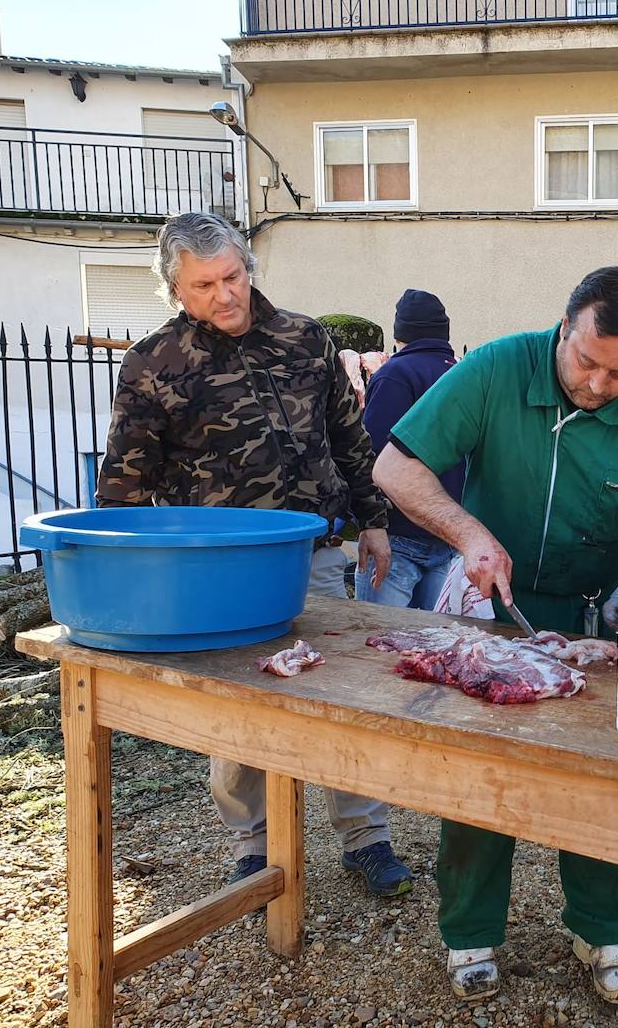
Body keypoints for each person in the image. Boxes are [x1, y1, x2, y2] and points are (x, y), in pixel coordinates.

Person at [372, 266, 618, 1004]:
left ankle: (603, 925)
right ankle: (470, 932)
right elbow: (395, 467)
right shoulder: (494, 367)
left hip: (595, 621)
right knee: (481, 777)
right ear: (564, 326)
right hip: (496, 611)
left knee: (599, 780)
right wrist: (468, 533)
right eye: (587, 360)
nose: (599, 384)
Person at [95, 211, 414, 898]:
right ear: (176, 290)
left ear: (249, 265)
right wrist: (127, 578)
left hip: (316, 551)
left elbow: (348, 438)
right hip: (222, 569)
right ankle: (256, 843)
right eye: (205, 284)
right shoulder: (154, 362)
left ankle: (365, 835)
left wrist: (375, 522)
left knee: (340, 691)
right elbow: (123, 481)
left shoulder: (306, 338)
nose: (226, 294)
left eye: (233, 275)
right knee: (240, 705)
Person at [355, 289, 463, 609]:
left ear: (400, 333)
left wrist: (368, 521)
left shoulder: (395, 375)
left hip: (396, 537)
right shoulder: (460, 374)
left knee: (377, 648)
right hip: (445, 533)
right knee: (428, 648)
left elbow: (370, 456)